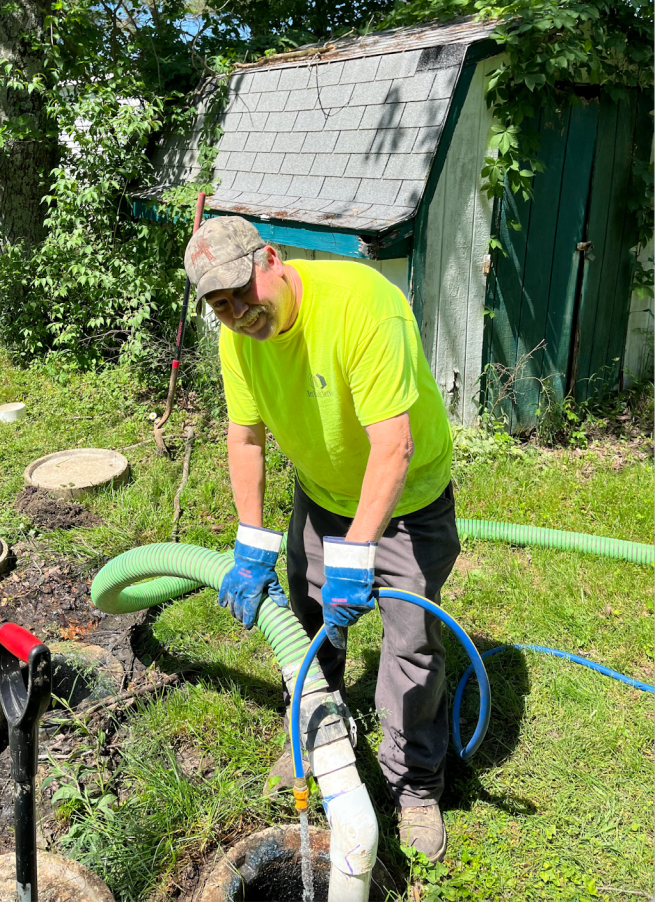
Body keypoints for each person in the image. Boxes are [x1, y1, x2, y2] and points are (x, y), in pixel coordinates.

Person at [184, 214, 459, 862]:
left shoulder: (361, 304)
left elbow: (393, 448)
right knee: (307, 625)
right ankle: (316, 730)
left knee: (410, 645)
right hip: (320, 493)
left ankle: (415, 786)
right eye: (220, 307)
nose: (238, 314)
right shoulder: (237, 338)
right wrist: (251, 543)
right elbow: (245, 437)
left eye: (241, 293)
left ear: (270, 260)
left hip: (409, 500)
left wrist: (358, 552)